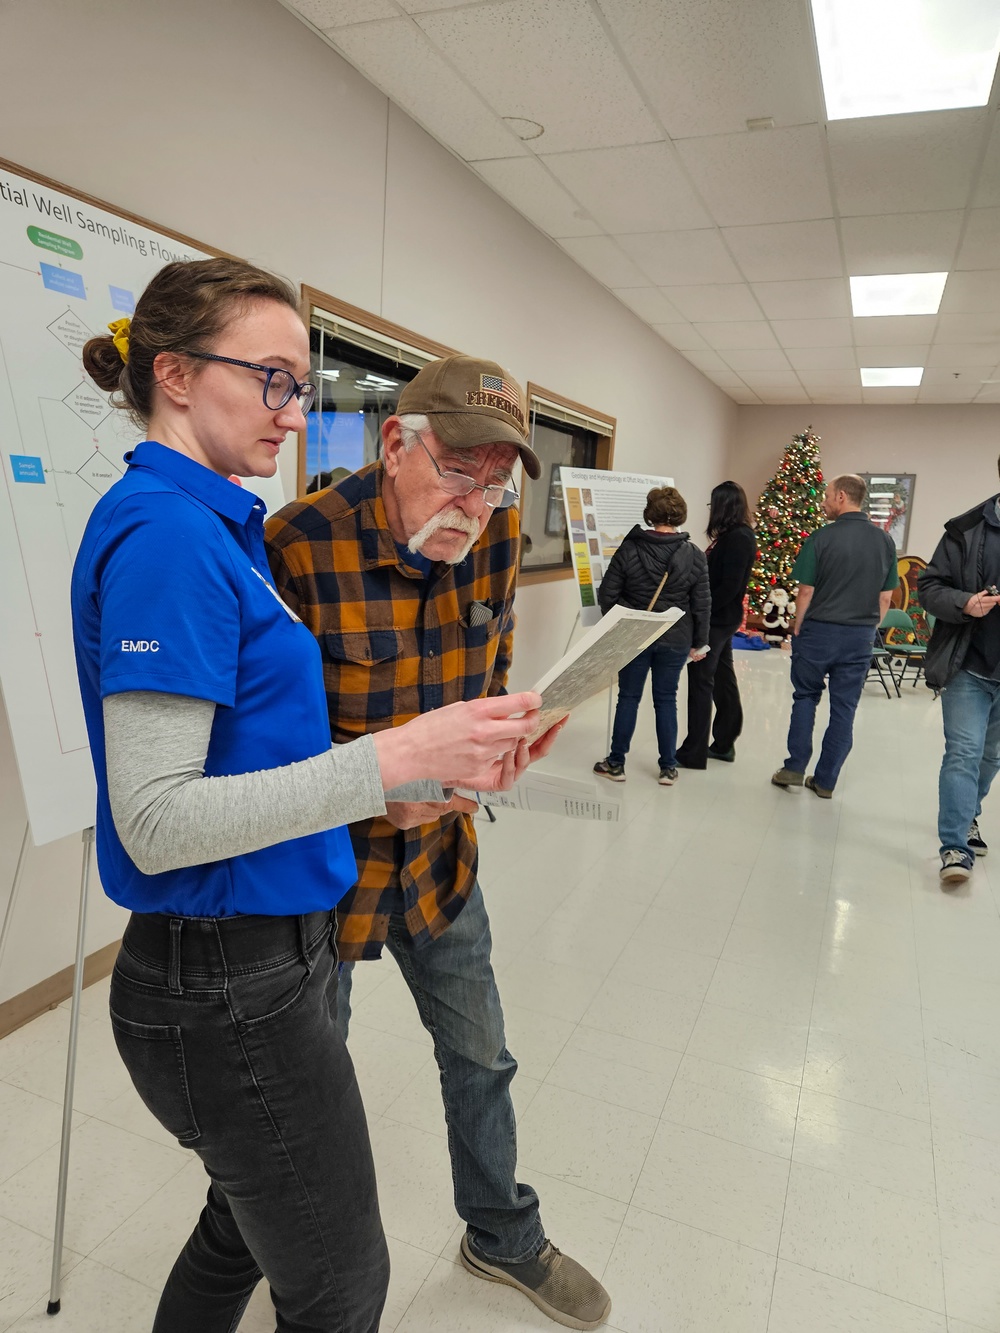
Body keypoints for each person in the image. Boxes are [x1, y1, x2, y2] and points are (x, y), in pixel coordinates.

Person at [70, 263, 545, 1333]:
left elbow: (250, 755)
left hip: (264, 940)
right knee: (337, 1285)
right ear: (177, 375)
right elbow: (152, 819)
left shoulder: (215, 524)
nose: (294, 412)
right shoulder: (173, 537)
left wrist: (427, 771)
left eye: (299, 384)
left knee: (247, 1225)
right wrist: (389, 759)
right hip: (228, 973)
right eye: (274, 380)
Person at [265, 355, 610, 1332]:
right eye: (461, 470)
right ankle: (302, 1264)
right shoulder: (292, 546)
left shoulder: (491, 534)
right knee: (307, 1093)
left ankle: (500, 1233)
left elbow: (483, 670)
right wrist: (380, 787)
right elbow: (257, 749)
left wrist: (511, 734)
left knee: (481, 1055)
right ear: (392, 444)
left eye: (499, 479)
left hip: (443, 861)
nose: (480, 501)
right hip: (324, 874)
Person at [771, 474, 898, 799]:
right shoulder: (884, 542)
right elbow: (886, 597)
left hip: (818, 633)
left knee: (805, 697)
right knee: (844, 708)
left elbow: (806, 591)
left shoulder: (820, 539)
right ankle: (825, 781)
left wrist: (798, 624)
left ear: (842, 496)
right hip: (858, 638)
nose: (823, 502)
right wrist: (869, 628)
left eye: (827, 496)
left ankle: (795, 768)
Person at [593, 486, 710, 785]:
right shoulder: (694, 555)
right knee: (666, 699)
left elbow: (608, 594)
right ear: (680, 516)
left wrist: (621, 622)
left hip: (634, 635)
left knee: (628, 698)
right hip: (676, 637)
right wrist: (700, 642)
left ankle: (616, 764)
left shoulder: (629, 549)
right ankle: (668, 767)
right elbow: (701, 605)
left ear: (649, 514)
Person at [918, 470, 1000, 886]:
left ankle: (969, 817)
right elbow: (929, 587)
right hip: (968, 663)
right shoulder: (965, 531)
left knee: (991, 757)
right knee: (964, 753)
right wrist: (966, 602)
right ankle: (954, 846)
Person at [676, 480, 756, 768]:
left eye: (713, 505)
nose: (711, 511)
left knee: (701, 683)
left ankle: (693, 752)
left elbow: (728, 588)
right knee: (723, 680)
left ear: (724, 506)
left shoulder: (738, 539)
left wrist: (700, 613)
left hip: (716, 622)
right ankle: (724, 743)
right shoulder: (736, 535)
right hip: (723, 620)